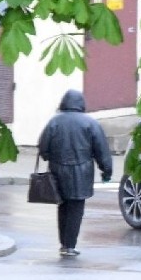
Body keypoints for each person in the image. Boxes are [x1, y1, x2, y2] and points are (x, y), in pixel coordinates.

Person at [38, 89, 113, 257]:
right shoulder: (90, 123)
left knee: (62, 206)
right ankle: (70, 245)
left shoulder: (54, 122)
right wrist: (106, 171)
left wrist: (51, 157)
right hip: (82, 172)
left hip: (57, 170)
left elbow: (43, 148)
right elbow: (102, 151)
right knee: (76, 208)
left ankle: (64, 244)